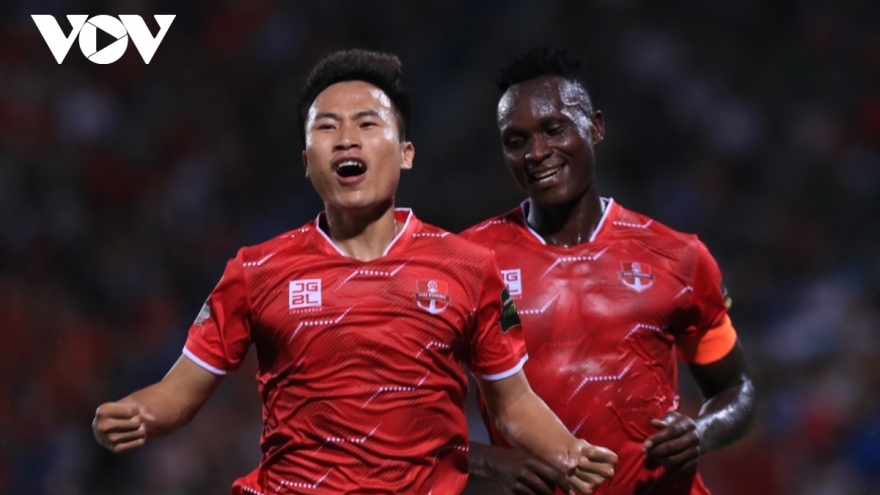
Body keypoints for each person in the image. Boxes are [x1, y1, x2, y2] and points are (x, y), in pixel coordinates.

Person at [91, 49, 617, 495]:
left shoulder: (470, 267)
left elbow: (513, 402)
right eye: (327, 126)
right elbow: (180, 393)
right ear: (306, 160)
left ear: (405, 153)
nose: (346, 138)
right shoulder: (256, 269)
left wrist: (569, 450)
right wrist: (137, 411)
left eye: (367, 123)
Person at [461, 46, 756, 495]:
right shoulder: (467, 262)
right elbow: (402, 413)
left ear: (595, 127)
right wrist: (492, 462)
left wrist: (702, 431)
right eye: (515, 141)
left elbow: (736, 388)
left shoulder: (678, 257)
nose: (537, 152)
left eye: (554, 129)